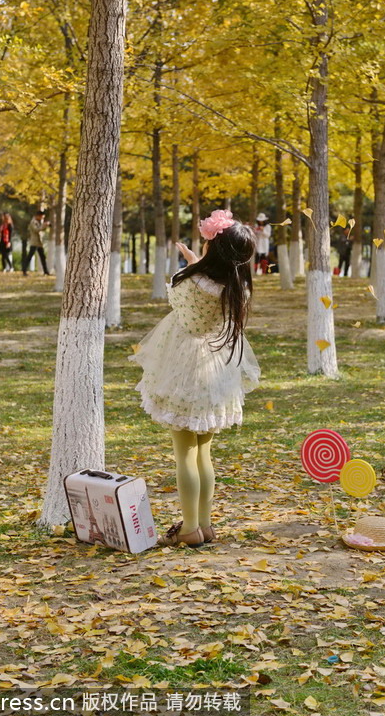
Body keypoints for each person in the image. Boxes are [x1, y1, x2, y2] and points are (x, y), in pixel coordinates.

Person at [129, 210, 260, 548]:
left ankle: (189, 528)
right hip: (217, 370)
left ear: (212, 247)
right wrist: (198, 261)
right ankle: (204, 524)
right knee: (204, 453)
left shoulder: (192, 282)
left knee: (185, 452)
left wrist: (191, 265)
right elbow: (210, 278)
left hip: (186, 368)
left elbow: (175, 294)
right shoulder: (237, 288)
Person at [23, 210, 50, 275]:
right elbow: (36, 230)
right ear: (38, 216)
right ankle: (24, 270)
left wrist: (45, 226)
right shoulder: (33, 222)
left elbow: (41, 229)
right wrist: (43, 225)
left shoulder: (39, 221)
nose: (42, 219)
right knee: (30, 256)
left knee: (42, 257)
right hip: (34, 242)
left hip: (39, 242)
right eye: (42, 217)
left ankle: (46, 271)